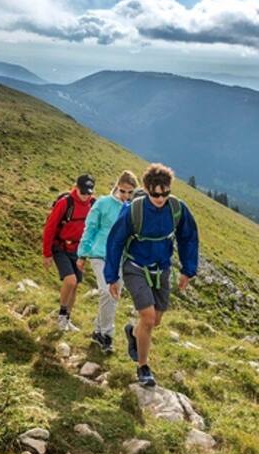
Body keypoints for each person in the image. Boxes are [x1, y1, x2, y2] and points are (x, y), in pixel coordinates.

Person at [105, 163, 199, 387]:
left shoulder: (177, 208)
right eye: (155, 194)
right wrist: (111, 276)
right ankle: (143, 367)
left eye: (165, 193)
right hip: (135, 267)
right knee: (147, 318)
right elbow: (116, 241)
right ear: (147, 189)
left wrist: (188, 270)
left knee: (155, 320)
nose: (160, 198)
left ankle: (134, 333)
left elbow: (188, 237)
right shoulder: (133, 210)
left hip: (161, 268)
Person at [78, 170, 138, 353]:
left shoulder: (134, 208)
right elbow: (90, 228)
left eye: (130, 192)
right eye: (123, 191)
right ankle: (107, 336)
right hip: (100, 254)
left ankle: (97, 330)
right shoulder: (103, 203)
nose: (126, 196)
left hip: (120, 258)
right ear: (117, 186)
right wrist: (82, 254)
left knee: (112, 296)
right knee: (107, 292)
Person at [43, 174, 96, 332]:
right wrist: (47, 254)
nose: (86, 196)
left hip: (79, 250)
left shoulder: (93, 203)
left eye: (89, 193)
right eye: (83, 192)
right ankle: (61, 316)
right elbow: (50, 228)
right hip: (61, 247)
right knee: (70, 281)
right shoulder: (65, 203)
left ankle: (67, 320)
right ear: (76, 187)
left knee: (75, 286)